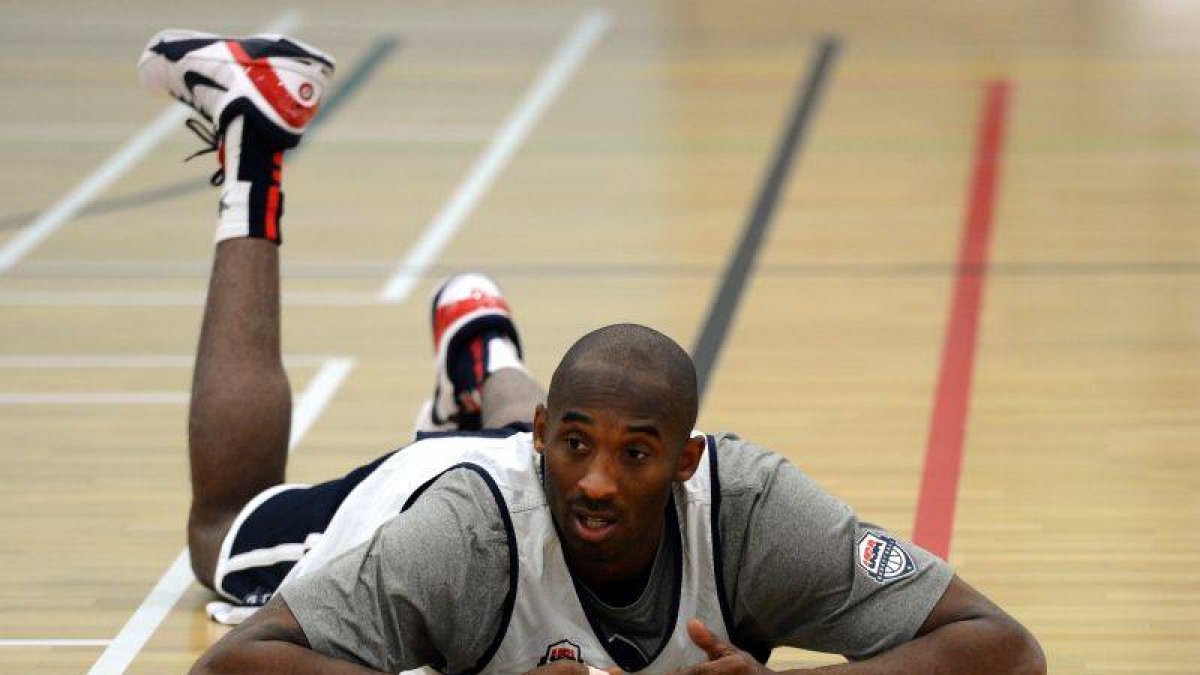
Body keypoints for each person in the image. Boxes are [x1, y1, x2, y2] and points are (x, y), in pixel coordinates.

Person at [138, 29, 1046, 675]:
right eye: (578, 445)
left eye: (638, 454)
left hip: (520, 449)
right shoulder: (458, 542)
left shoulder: (752, 515)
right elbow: (233, 666)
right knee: (220, 536)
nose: (602, 480)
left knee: (584, 417)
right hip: (445, 486)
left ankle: (487, 359)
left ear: (689, 462)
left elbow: (1005, 648)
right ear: (547, 440)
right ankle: (255, 145)